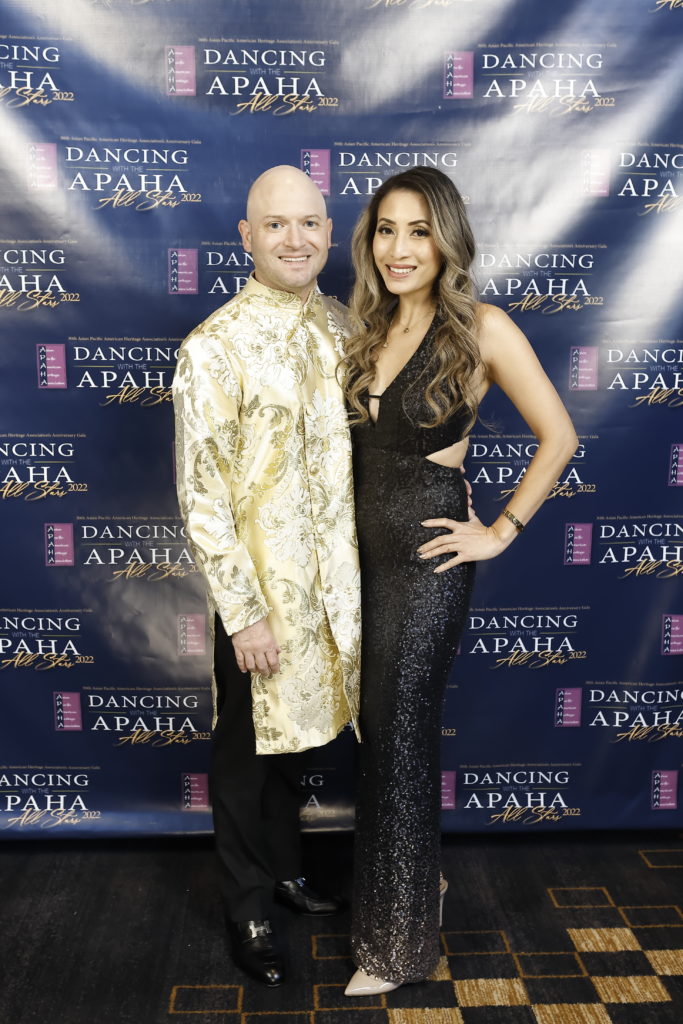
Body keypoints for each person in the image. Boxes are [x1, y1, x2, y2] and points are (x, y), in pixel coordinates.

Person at [341, 167, 578, 996]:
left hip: (427, 560)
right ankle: (419, 883)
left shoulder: (482, 328)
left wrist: (499, 531)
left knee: (400, 737)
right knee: (375, 735)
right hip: (357, 559)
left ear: (445, 239)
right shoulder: (363, 329)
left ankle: (396, 948)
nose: (399, 248)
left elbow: (558, 435)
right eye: (385, 230)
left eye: (417, 230)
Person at [172, 166, 361, 988]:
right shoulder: (213, 346)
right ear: (245, 238)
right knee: (248, 752)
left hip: (342, 588)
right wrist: (243, 614)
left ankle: (284, 872)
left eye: (309, 224)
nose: (295, 240)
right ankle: (247, 901)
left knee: (298, 745)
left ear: (328, 232)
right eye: (275, 225)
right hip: (262, 600)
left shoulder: (344, 325)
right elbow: (202, 494)